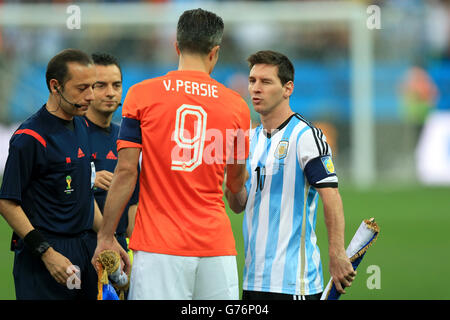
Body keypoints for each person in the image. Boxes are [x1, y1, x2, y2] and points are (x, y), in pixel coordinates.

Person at [92, 8, 250, 300]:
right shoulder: (238, 106)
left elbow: (126, 171)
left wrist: (105, 237)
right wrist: (237, 196)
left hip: (158, 249)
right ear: (214, 52)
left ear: (176, 46)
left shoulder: (141, 95)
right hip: (216, 248)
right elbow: (236, 186)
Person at [225, 50, 356, 300]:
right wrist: (232, 175)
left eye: (266, 82)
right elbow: (238, 205)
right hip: (254, 280)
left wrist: (337, 253)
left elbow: (331, 197)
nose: (256, 89)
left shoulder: (306, 136)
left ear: (288, 88)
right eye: (252, 81)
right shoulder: (249, 140)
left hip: (294, 283)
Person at [0, 48, 103, 300]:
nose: (90, 96)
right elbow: (7, 202)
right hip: (47, 256)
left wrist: (107, 238)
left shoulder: (82, 124)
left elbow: (84, 194)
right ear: (55, 86)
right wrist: (47, 253)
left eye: (92, 87)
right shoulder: (30, 138)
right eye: (81, 88)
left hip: (84, 249)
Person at [85, 52, 139, 252]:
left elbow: (134, 202)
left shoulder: (126, 137)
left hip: (119, 250)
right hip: (83, 247)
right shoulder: (72, 134)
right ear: (87, 88)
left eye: (116, 85)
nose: (111, 93)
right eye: (101, 85)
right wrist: (89, 179)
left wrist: (133, 251)